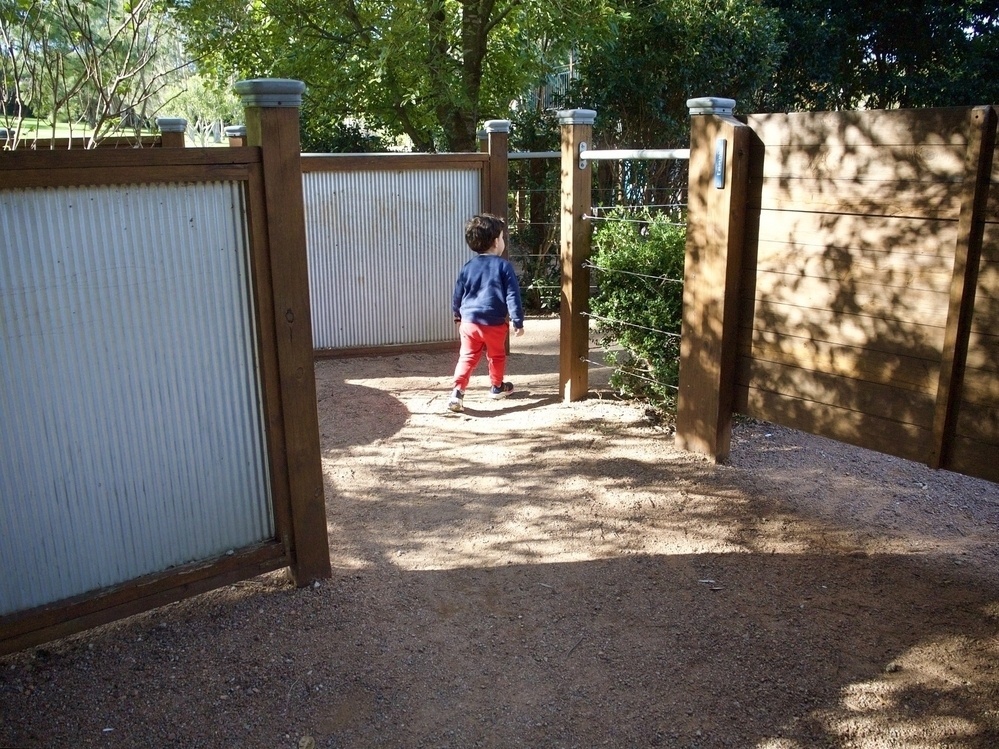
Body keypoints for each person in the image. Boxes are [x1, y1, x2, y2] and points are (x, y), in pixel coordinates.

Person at [447, 213, 525, 413]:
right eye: (502, 238)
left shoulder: (468, 267)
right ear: (495, 242)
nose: (503, 242)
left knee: (467, 356)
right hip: (494, 323)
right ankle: (497, 386)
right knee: (496, 355)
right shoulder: (504, 266)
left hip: (469, 322)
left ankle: (457, 391)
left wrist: (457, 315)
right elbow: (512, 295)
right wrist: (517, 321)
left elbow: (458, 294)